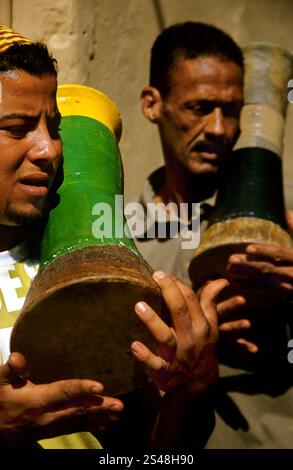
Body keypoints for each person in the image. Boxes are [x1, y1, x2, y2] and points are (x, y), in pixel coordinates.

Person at [0, 25, 226, 449]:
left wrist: (189, 391)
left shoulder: (80, 268)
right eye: (16, 128)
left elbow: (154, 453)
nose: (48, 149)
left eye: (54, 126)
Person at [135, 21, 293, 448]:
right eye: (201, 108)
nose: (221, 128)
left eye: (233, 109)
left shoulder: (284, 218)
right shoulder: (124, 236)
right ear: (153, 104)